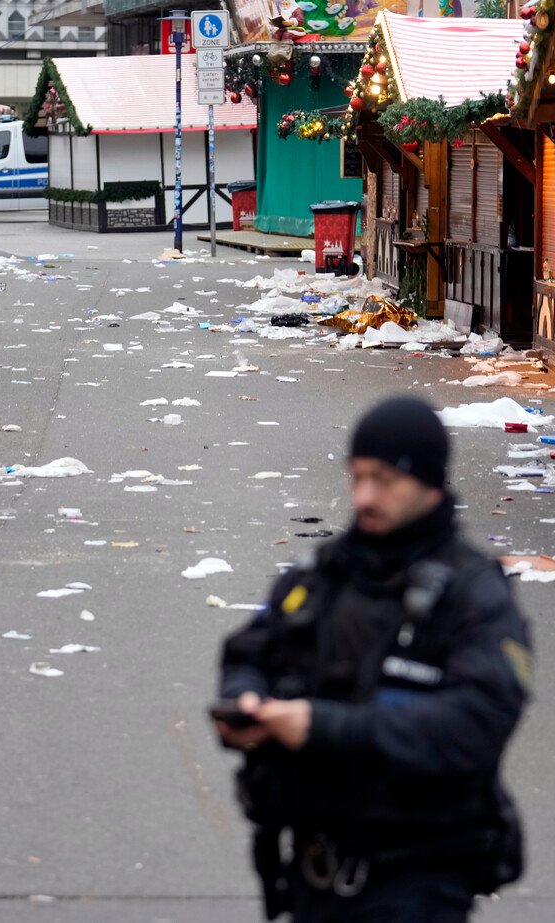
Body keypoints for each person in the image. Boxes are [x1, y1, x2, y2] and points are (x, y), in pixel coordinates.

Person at [214, 395, 531, 921]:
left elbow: (474, 724)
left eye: (384, 480)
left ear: (429, 483)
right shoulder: (322, 574)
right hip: (312, 869)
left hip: (417, 877)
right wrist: (244, 701)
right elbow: (250, 649)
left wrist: (324, 727)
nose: (364, 496)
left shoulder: (473, 596)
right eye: (357, 476)